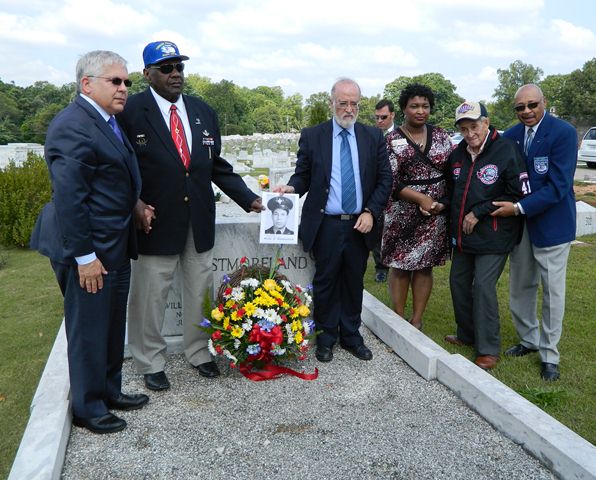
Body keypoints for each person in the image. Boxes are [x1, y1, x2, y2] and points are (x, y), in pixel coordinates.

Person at [117, 41, 263, 391]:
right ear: (146, 73)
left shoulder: (202, 111)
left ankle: (199, 351)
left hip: (198, 220)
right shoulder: (130, 112)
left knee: (200, 291)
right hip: (154, 221)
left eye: (179, 67)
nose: (175, 74)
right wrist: (134, 202)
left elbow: (217, 167)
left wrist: (250, 199)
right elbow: (120, 168)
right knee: (151, 295)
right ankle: (150, 360)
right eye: (165, 68)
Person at [30, 50, 150, 434]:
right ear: (87, 83)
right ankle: (88, 407)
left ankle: (109, 391)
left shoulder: (106, 121)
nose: (124, 89)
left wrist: (135, 206)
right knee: (88, 329)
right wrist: (85, 257)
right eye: (116, 81)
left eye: (127, 82)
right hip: (87, 248)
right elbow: (70, 197)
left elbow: (109, 179)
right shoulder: (73, 125)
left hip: (113, 243)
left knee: (112, 325)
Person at [274, 77, 392, 363]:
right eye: (343, 103)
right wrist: (291, 188)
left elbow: (385, 179)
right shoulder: (313, 135)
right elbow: (303, 174)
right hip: (326, 222)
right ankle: (327, 336)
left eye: (354, 103)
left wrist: (370, 212)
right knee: (326, 280)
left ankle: (351, 334)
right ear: (332, 103)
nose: (349, 109)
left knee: (353, 280)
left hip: (359, 223)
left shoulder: (372, 136)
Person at [492, 84, 577, 381]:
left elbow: (558, 186)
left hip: (552, 223)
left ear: (545, 103)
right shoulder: (512, 135)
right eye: (520, 107)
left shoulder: (563, 132)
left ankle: (549, 354)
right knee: (521, 285)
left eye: (532, 105)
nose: (526, 111)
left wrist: (517, 208)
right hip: (521, 226)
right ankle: (529, 339)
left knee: (552, 292)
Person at [443, 101, 530, 370]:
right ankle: (467, 333)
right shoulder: (458, 153)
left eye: (474, 126)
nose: (470, 133)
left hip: (494, 235)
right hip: (463, 235)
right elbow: (452, 189)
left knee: (482, 286)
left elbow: (520, 194)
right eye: (464, 128)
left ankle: (488, 348)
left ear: (486, 122)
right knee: (458, 282)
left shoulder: (506, 150)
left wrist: (479, 211)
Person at [381, 84, 452, 330]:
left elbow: (452, 172)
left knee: (424, 267)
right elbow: (389, 179)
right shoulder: (391, 140)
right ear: (403, 109)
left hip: (435, 212)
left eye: (425, 106)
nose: (420, 111)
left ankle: (417, 320)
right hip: (402, 211)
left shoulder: (442, 136)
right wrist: (420, 199)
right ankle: (398, 318)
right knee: (400, 266)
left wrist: (438, 203)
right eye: (414, 106)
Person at [370, 99, 395, 282]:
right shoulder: (371, 136)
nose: (380, 121)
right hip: (377, 188)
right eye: (377, 117)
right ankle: (381, 267)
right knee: (377, 230)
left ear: (392, 115)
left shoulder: (401, 135)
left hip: (398, 190)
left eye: (384, 117)